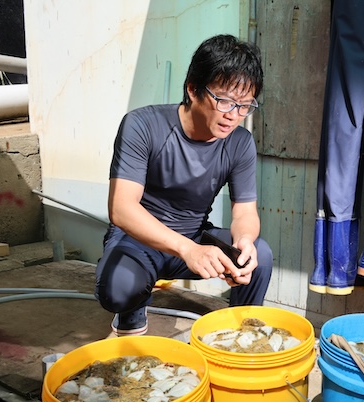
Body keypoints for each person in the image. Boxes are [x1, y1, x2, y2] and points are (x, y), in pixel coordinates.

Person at [95, 34, 273, 336]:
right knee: (119, 289)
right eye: (224, 101)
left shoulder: (240, 143)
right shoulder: (142, 126)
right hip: (137, 241)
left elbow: (245, 213)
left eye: (244, 105)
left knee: (259, 255)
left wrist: (243, 239)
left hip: (193, 236)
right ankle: (130, 315)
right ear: (193, 89)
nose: (234, 116)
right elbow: (122, 209)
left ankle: (239, 335)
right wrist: (187, 249)